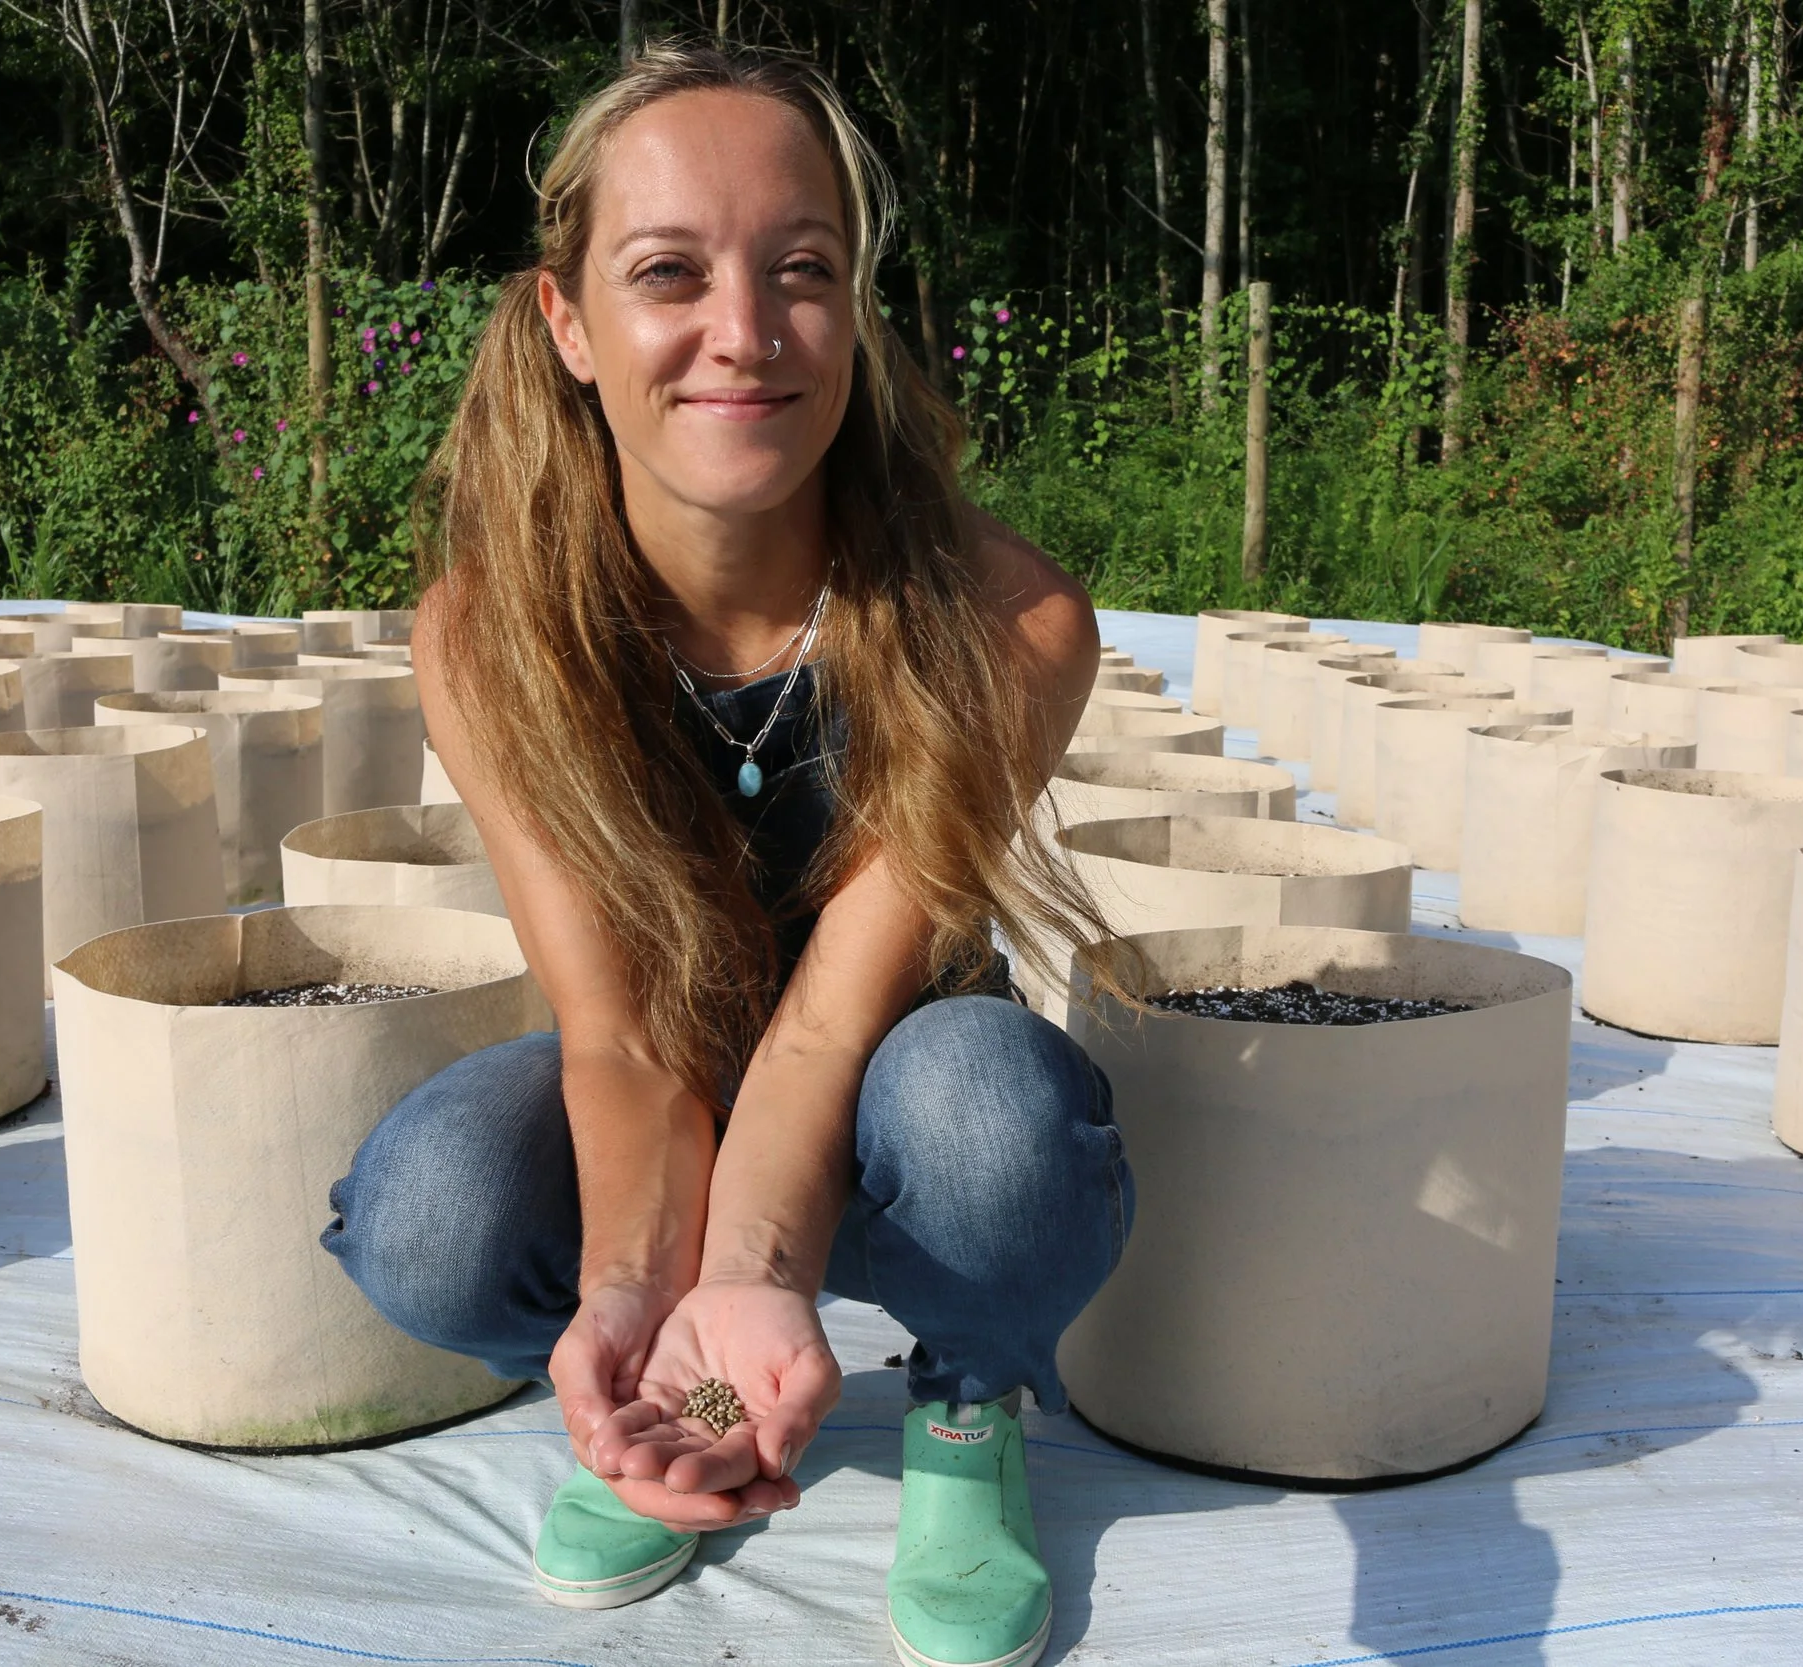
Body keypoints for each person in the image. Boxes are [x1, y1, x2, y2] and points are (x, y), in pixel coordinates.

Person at [319, 41, 1133, 1667]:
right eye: (669, 272)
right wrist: (632, 1289)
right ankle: (675, 1391)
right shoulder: (491, 636)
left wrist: (762, 1262)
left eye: (802, 269)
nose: (746, 332)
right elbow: (621, 1035)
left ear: (857, 307)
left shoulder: (1006, 623)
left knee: (998, 1128)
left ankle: (965, 1400)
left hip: (901, 1090)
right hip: (665, 1087)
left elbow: (832, 1022)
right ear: (568, 323)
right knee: (427, 1215)